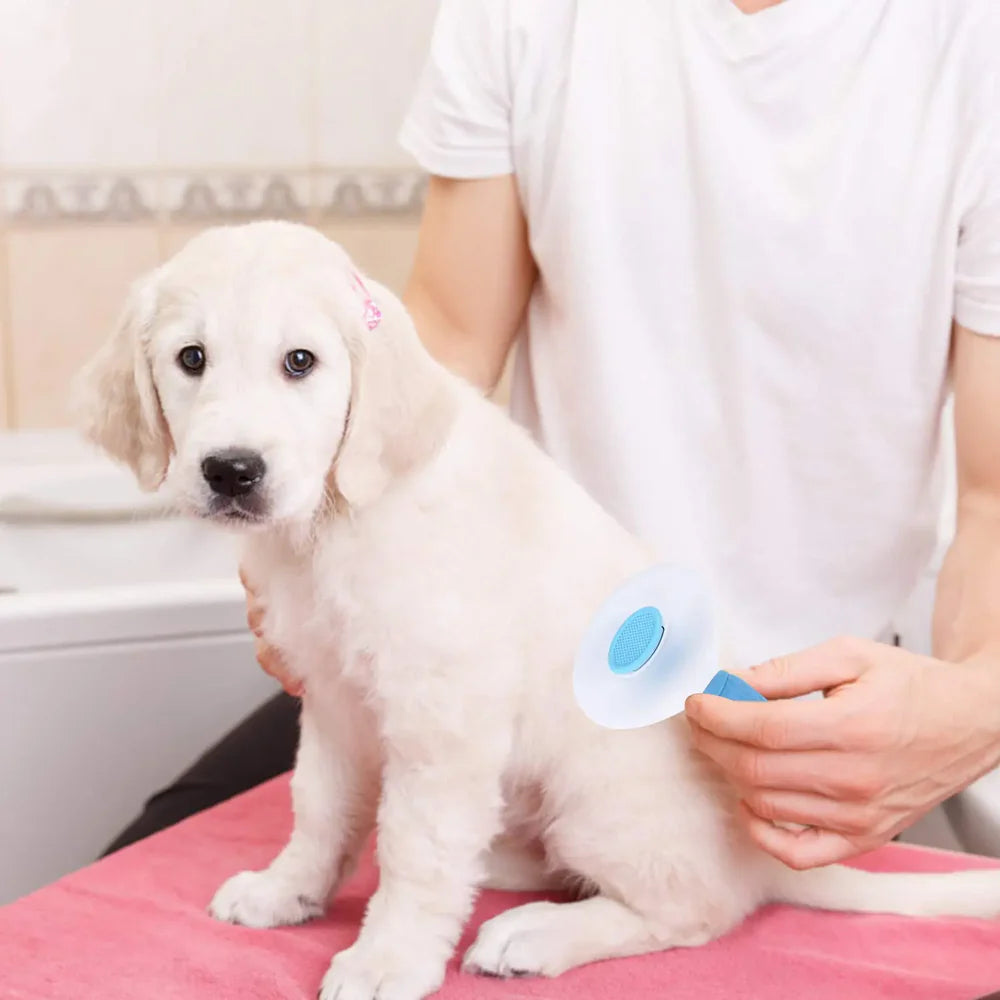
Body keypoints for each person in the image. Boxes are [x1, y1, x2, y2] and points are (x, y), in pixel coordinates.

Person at [105, 0, 1000, 869]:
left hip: (793, 709)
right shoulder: (518, 13)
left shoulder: (973, 43)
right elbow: (447, 347)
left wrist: (974, 708)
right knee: (135, 880)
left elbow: (990, 495)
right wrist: (305, 546)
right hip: (506, 646)